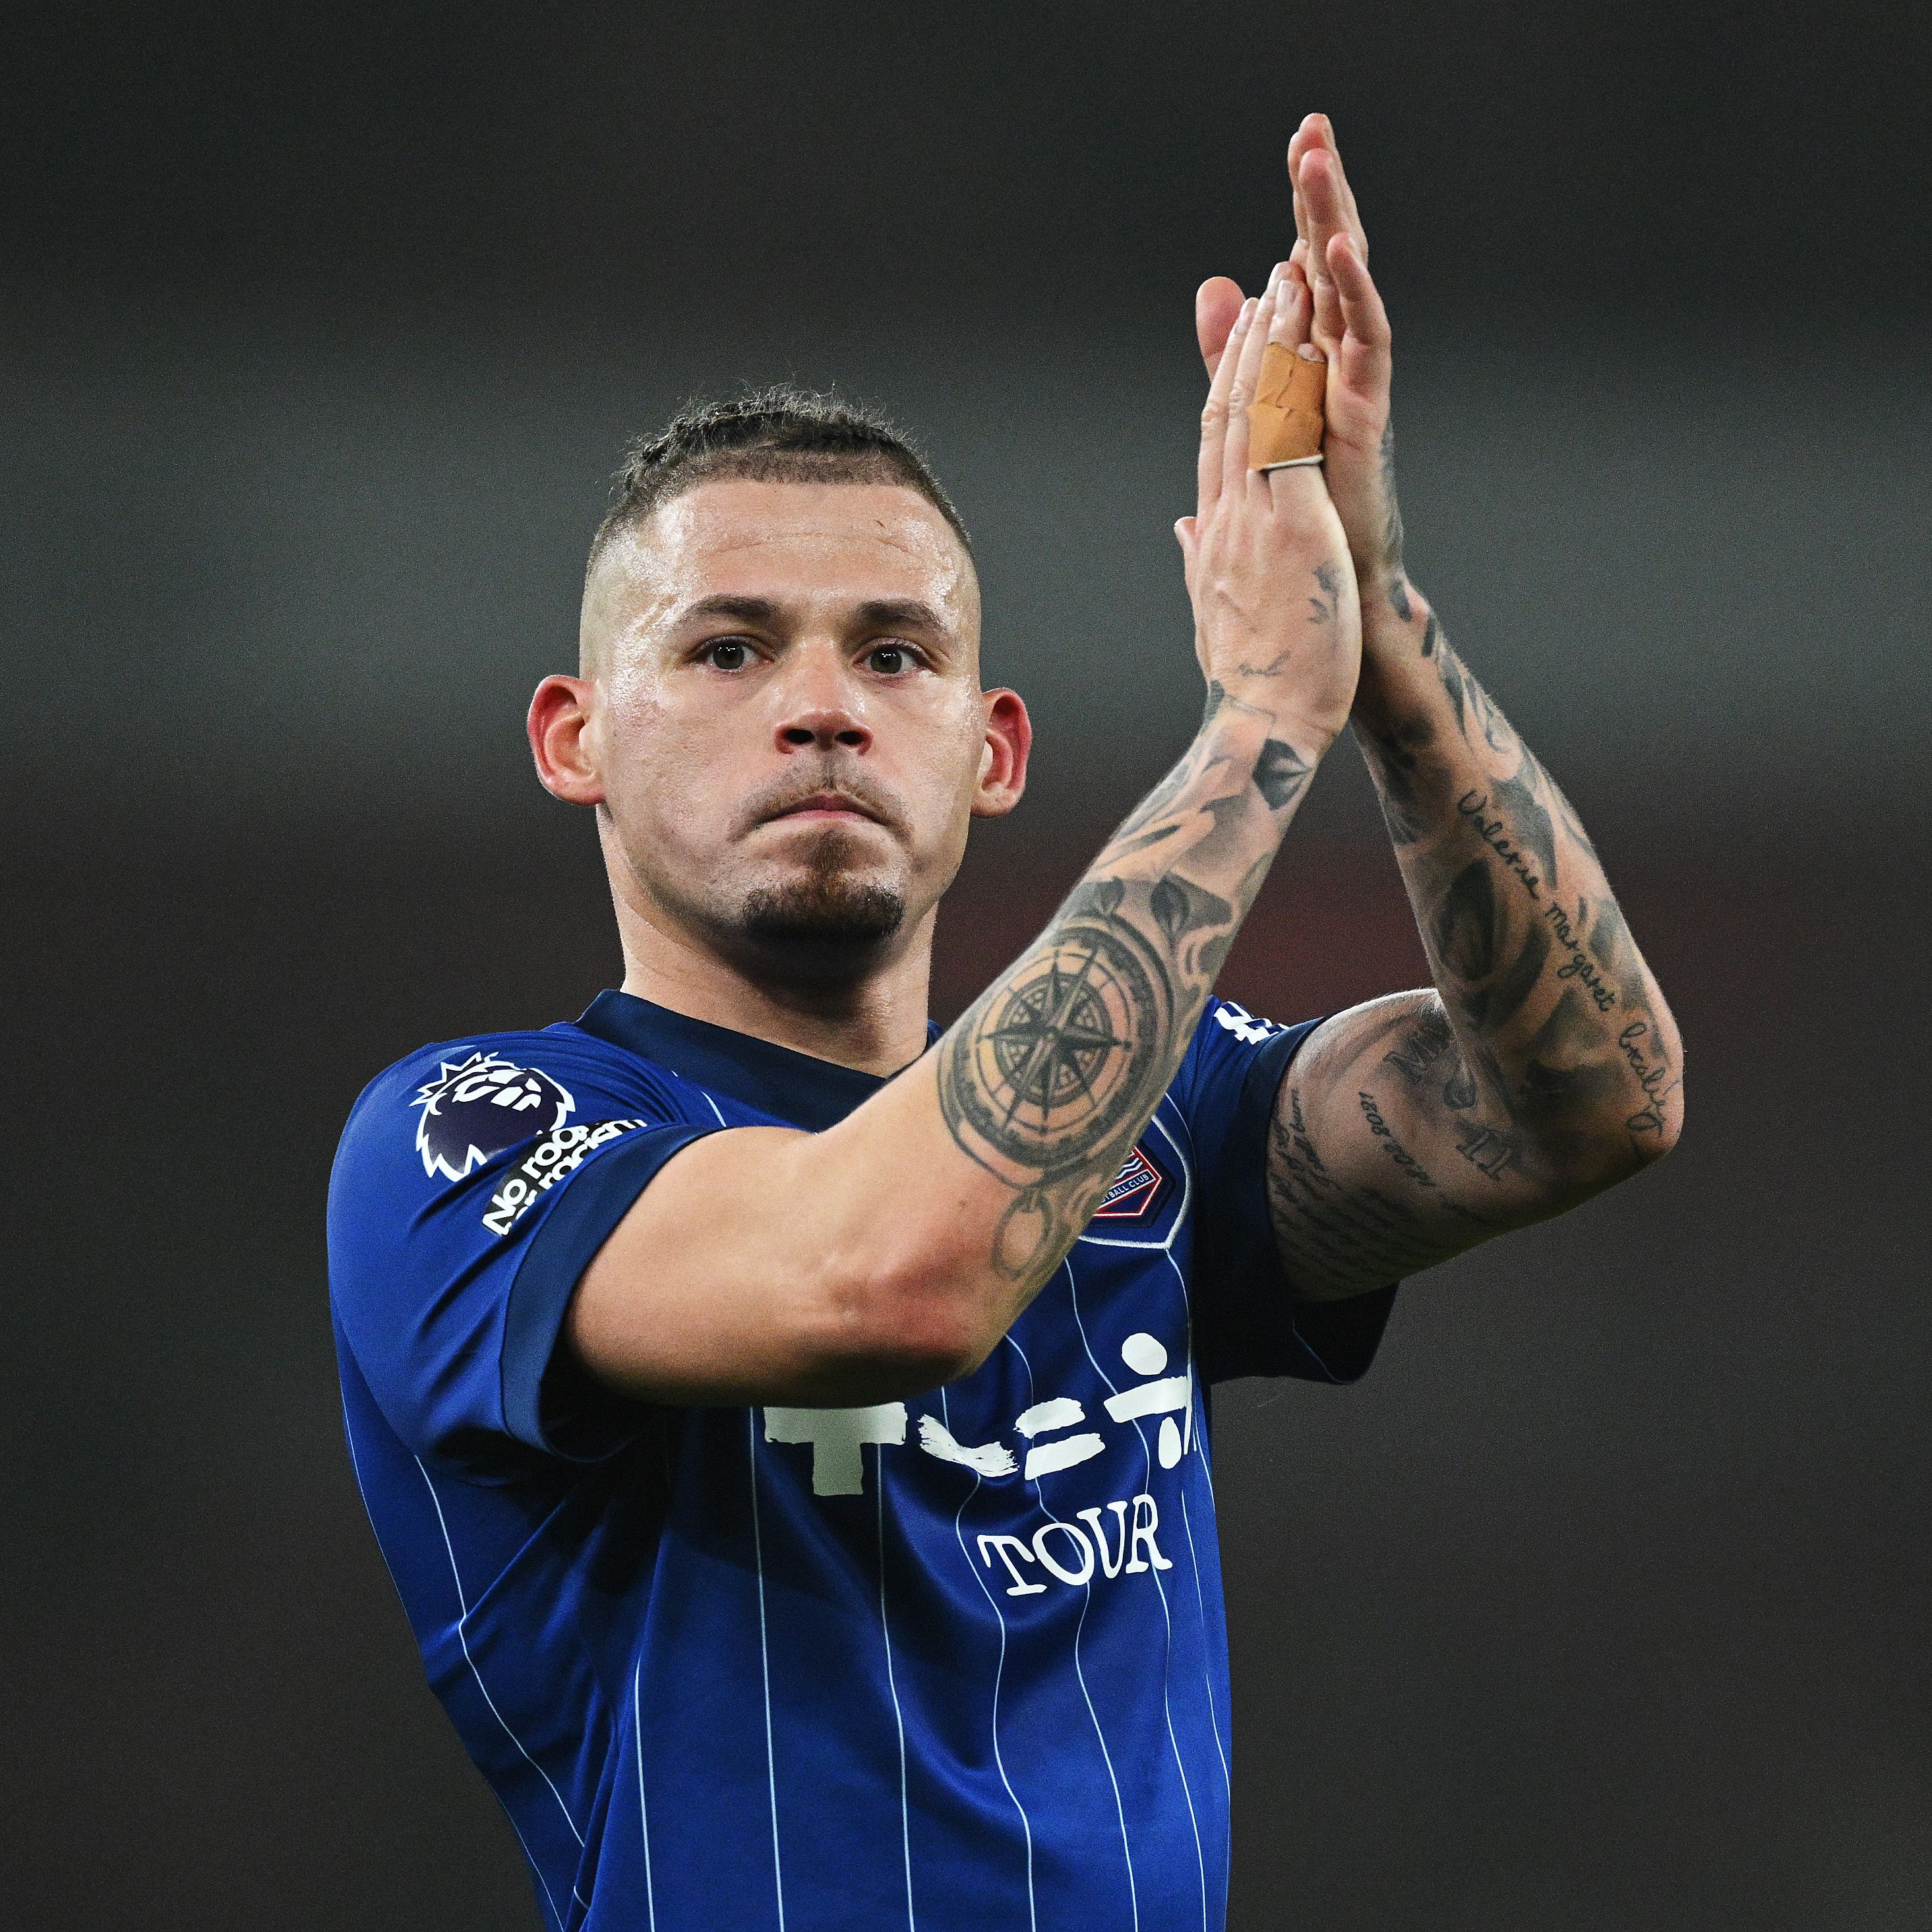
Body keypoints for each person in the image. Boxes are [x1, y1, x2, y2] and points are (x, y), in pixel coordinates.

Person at [328, 115, 1682, 1932]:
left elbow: (1590, 1100)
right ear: (574, 738)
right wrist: (1254, 721)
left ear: (994, 749)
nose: (822, 705)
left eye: (894, 652)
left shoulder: (1163, 1116)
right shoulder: (467, 1142)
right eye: (728, 649)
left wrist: (1378, 640)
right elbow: (897, 1275)